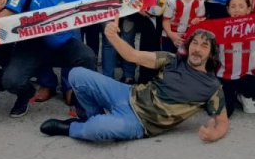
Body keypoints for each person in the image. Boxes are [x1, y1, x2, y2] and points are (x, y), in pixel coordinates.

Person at [41, 22, 228, 143]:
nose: (197, 49)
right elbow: (132, 55)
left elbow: (222, 123)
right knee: (77, 74)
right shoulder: (172, 59)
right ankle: (90, 117)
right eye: (195, 43)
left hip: (140, 123)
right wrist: (113, 37)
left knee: (97, 128)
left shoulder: (212, 87)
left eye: (204, 46)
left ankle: (74, 128)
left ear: (212, 53)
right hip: (127, 93)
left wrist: (214, 134)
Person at [0, 0, 99, 118]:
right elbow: (9, 12)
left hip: (63, 43)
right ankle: (25, 94)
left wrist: (118, 15)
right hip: (32, 45)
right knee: (10, 81)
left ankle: (82, 103)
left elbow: (103, 4)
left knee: (88, 57)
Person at [217, 0, 255, 116]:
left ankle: (245, 96)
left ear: (248, 9)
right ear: (228, 9)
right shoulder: (219, 27)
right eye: (233, 6)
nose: (237, 10)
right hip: (226, 75)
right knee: (227, 112)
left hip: (246, 75)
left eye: (241, 6)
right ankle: (232, 94)